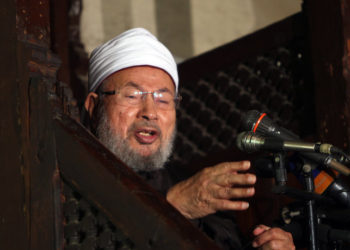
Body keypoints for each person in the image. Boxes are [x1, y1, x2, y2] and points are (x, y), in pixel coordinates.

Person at [83, 28, 295, 249]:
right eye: (132, 96)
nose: (150, 112)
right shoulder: (68, 176)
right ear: (93, 106)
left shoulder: (195, 184)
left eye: (163, 99)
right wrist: (172, 207)